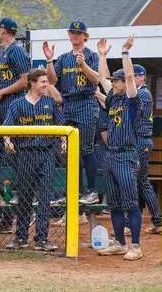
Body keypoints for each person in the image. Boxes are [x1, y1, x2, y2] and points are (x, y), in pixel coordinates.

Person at [2, 68, 65, 251]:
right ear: (32, 83)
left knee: (45, 197)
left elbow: (60, 125)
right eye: (43, 82)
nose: (46, 85)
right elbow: (7, 128)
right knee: (25, 197)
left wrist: (63, 141)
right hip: (25, 153)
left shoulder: (50, 102)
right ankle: (21, 237)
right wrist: (7, 142)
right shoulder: (17, 104)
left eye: (47, 82)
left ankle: (42, 239)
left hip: (46, 153)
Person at [95, 35, 143, 261]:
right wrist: (102, 56)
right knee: (113, 203)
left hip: (126, 155)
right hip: (110, 155)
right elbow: (102, 81)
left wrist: (125, 51)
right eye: (113, 81)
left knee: (131, 202)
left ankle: (135, 246)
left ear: (124, 83)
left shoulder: (133, 100)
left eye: (117, 81)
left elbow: (130, 78)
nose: (113, 84)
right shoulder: (113, 99)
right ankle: (120, 243)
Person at [43, 20, 100, 205]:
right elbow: (52, 80)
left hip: (85, 102)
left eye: (78, 32)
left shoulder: (91, 55)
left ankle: (92, 190)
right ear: (68, 35)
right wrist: (49, 60)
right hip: (68, 104)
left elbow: (96, 80)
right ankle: (75, 190)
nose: (75, 35)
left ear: (85, 35)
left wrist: (83, 66)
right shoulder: (64, 58)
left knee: (86, 149)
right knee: (69, 152)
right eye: (72, 32)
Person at [0, 17, 31, 233]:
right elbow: (1, 84)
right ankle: (0, 210)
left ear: (4, 31)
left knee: (11, 158)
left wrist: (1, 93)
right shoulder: (2, 52)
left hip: (12, 104)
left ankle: (19, 212)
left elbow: (24, 80)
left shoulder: (17, 50)